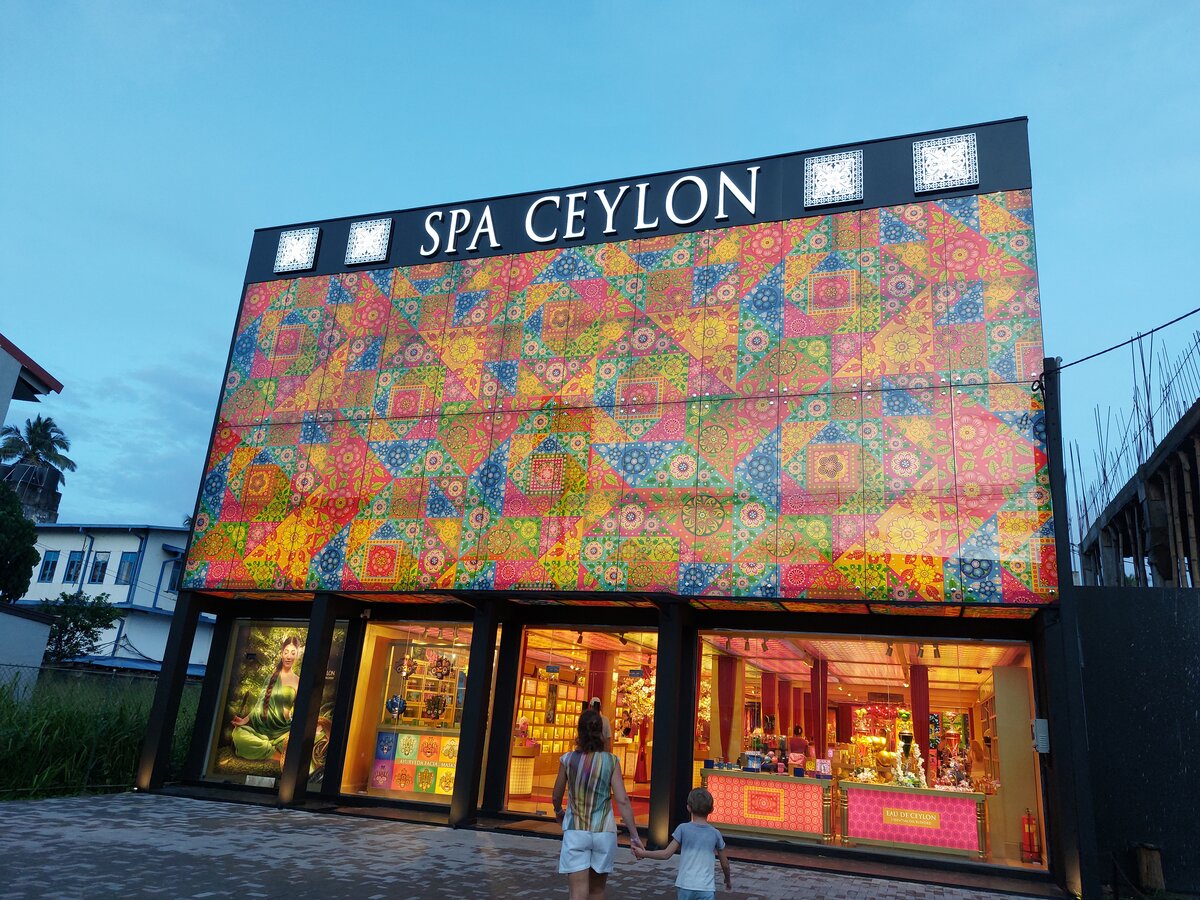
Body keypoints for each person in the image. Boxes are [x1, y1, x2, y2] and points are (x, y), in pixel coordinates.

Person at [552, 708, 643, 900]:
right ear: (601, 731)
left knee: (578, 892)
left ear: (579, 731)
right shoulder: (611, 761)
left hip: (576, 830)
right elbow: (623, 800)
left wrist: (558, 811)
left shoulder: (567, 760)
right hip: (604, 832)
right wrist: (634, 836)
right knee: (597, 891)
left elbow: (556, 795)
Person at [632, 787, 731, 899]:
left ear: (688, 808)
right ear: (712, 809)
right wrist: (727, 879)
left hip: (685, 885)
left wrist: (643, 853)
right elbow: (725, 864)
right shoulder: (715, 834)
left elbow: (666, 854)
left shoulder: (683, 829)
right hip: (706, 887)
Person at [230, 634, 301, 762]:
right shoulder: (270, 678)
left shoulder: (298, 681)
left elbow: (301, 710)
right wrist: (244, 721)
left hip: (283, 731)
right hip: (262, 730)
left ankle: (270, 749)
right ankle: (277, 755)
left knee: (297, 741)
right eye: (286, 652)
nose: (289, 656)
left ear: (297, 655)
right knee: (238, 734)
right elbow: (259, 703)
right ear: (281, 653)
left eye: (292, 653)